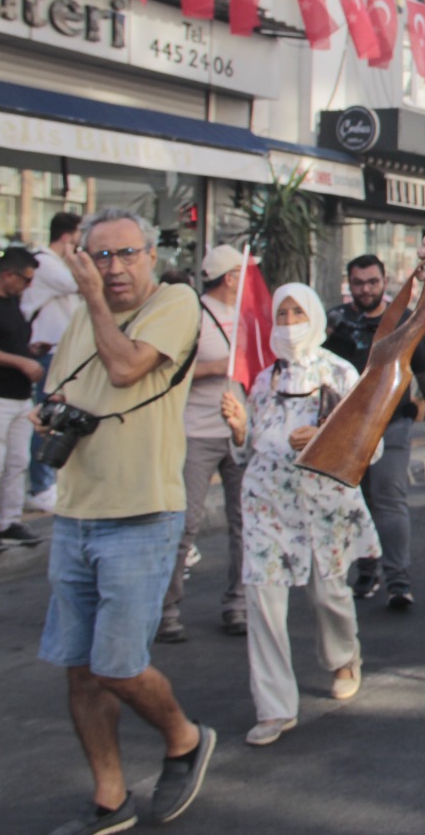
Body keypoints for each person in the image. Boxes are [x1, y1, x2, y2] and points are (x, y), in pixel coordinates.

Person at [32, 207, 215, 833]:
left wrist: (92, 301)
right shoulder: (83, 319)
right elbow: (64, 391)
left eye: (126, 254)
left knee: (116, 664)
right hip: (77, 512)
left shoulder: (176, 301)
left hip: (142, 514)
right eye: (100, 257)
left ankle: (185, 737)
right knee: (81, 669)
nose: (113, 269)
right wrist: (46, 414)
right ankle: (110, 800)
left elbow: (126, 367)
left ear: (151, 255)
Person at [219, 283, 377, 747]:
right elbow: (247, 449)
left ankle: (344, 656)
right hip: (267, 504)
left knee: (329, 594)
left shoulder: (342, 374)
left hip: (324, 503)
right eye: (281, 315)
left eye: (296, 313)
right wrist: (240, 429)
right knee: (264, 602)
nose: (289, 324)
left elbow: (371, 443)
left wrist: (324, 435)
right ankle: (273, 706)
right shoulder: (264, 381)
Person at [324, 254, 425, 611]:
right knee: (357, 501)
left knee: (389, 497)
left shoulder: (403, 321)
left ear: (384, 282)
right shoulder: (337, 321)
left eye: (372, 282)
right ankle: (366, 570)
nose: (366, 289)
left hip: (392, 424)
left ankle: (398, 580)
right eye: (359, 283)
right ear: (350, 285)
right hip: (347, 428)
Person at [157, 245, 249, 643]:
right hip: (196, 431)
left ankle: (238, 605)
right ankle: (165, 611)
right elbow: (164, 368)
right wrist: (216, 368)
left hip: (240, 431)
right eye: (244, 273)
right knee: (185, 524)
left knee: (244, 524)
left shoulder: (247, 315)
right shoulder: (192, 314)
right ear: (230, 277)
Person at [0, 246, 44, 553]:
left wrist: (30, 353)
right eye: (26, 280)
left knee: (17, 461)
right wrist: (21, 363)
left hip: (17, 395)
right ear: (8, 275)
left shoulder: (13, 305)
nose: (28, 287)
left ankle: (9, 520)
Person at [22, 211, 83, 512]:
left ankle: (46, 482)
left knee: (56, 417)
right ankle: (40, 484)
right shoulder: (45, 263)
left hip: (59, 353)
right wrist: (74, 256)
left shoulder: (53, 262)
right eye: (80, 233)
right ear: (68, 234)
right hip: (46, 354)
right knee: (46, 418)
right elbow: (80, 283)